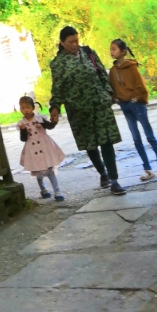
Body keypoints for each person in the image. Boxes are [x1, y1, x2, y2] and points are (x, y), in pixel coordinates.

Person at [49, 26, 126, 195]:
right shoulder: (58, 63)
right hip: (79, 112)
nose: (75, 44)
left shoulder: (88, 52)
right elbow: (57, 88)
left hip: (99, 105)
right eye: (70, 42)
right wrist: (55, 107)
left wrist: (108, 93)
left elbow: (101, 73)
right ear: (62, 43)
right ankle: (102, 173)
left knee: (106, 142)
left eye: (76, 40)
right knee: (91, 145)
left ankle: (114, 180)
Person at [109, 38, 157, 182]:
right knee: (136, 139)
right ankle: (147, 169)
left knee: (149, 136)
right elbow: (112, 87)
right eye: (111, 49)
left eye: (114, 49)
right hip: (125, 106)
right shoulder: (112, 70)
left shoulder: (132, 67)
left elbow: (139, 85)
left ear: (123, 51)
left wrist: (136, 97)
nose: (111, 52)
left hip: (137, 105)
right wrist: (116, 98)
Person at [17, 94, 66, 201]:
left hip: (45, 147)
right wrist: (23, 130)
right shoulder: (22, 123)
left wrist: (54, 122)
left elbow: (50, 126)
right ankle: (43, 189)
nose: (26, 110)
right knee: (38, 172)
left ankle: (57, 191)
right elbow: (23, 139)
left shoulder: (40, 118)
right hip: (32, 148)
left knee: (50, 170)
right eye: (23, 108)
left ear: (33, 108)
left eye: (28, 107)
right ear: (20, 109)